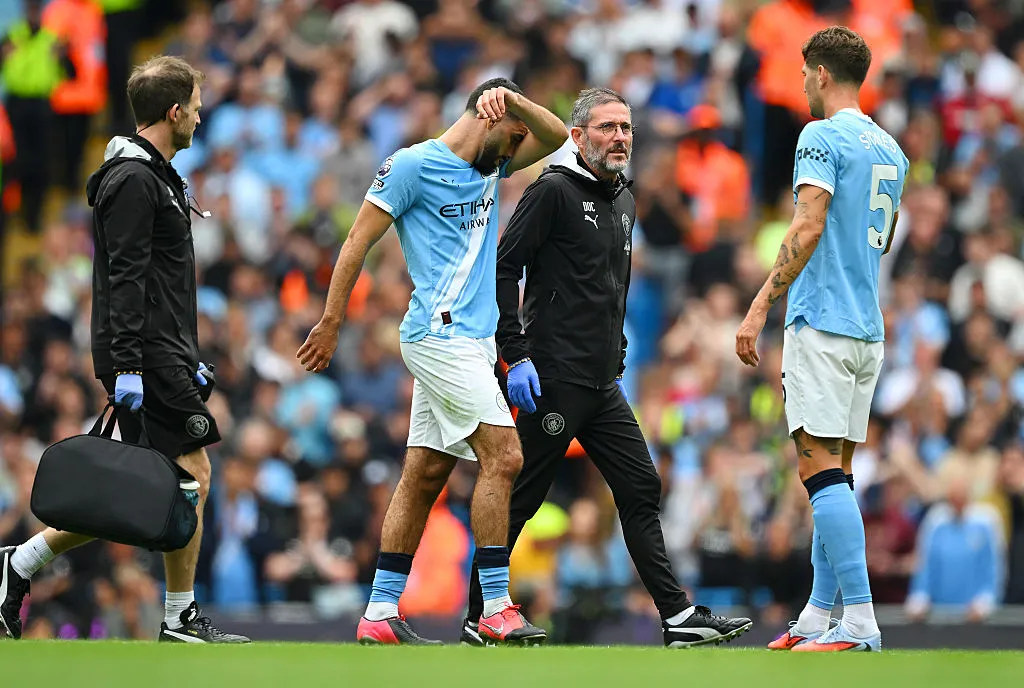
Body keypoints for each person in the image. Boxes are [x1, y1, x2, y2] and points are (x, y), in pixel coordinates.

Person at [461, 87, 753, 649]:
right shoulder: (552, 191)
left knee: (641, 484)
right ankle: (480, 614)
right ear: (577, 137)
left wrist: (615, 347)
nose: (620, 137)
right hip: (552, 378)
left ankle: (676, 616)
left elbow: (607, 288)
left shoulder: (624, 195)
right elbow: (504, 268)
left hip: (601, 383)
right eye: (607, 127)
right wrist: (514, 353)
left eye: (625, 127)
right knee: (521, 496)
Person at [296, 78, 568, 645]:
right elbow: (356, 243)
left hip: (470, 343)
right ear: (484, 117)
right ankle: (494, 605)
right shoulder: (411, 166)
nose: (520, 144)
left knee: (422, 477)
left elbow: (557, 134)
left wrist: (516, 102)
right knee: (505, 455)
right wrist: (331, 320)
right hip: (438, 337)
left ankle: (378, 612)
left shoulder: (494, 160)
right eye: (513, 132)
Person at [0, 55, 249, 644]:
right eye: (193, 105)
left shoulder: (153, 175)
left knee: (138, 489)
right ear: (173, 111)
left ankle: (18, 563)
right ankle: (178, 616)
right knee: (193, 475)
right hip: (147, 356)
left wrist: (185, 352)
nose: (198, 114)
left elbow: (155, 281)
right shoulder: (135, 180)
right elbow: (126, 279)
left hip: (162, 352)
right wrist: (133, 365)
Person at [735, 26, 909, 653]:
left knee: (817, 470)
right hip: (867, 327)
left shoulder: (821, 135)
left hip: (823, 322)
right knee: (835, 474)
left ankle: (859, 621)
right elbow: (880, 240)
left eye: (805, 73)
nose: (802, 83)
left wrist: (758, 308)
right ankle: (815, 613)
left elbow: (807, 227)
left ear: (822, 73)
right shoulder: (891, 148)